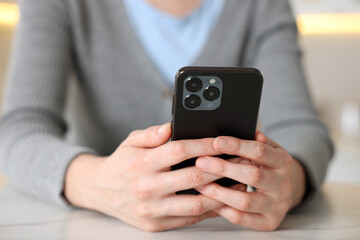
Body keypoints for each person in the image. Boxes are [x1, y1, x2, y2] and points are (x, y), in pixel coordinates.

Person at [0, 0, 333, 232]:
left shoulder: (261, 5)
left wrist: (292, 183)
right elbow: (18, 130)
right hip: (100, 226)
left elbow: (301, 128)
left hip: (226, 227)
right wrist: (93, 182)